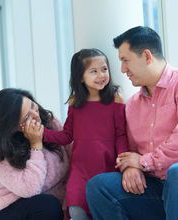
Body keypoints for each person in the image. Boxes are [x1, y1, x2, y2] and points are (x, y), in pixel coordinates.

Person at [86, 26, 178, 220]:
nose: (123, 69)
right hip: (159, 186)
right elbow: (132, 151)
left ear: (147, 56)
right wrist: (132, 167)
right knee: (99, 186)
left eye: (126, 61)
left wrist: (144, 162)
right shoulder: (132, 104)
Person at [43, 48, 129, 220]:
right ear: (81, 77)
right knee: (76, 210)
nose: (101, 75)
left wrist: (124, 158)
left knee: (102, 211)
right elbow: (67, 135)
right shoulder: (75, 103)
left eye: (104, 69)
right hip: (80, 170)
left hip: (107, 166)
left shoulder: (115, 98)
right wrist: (42, 133)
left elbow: (121, 134)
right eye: (94, 71)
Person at [0, 88, 70, 220]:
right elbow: (30, 190)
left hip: (45, 201)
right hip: (5, 208)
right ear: (13, 127)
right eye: (27, 117)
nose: (35, 115)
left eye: (32, 105)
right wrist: (35, 144)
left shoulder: (50, 122)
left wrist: (66, 207)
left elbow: (72, 164)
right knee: (47, 206)